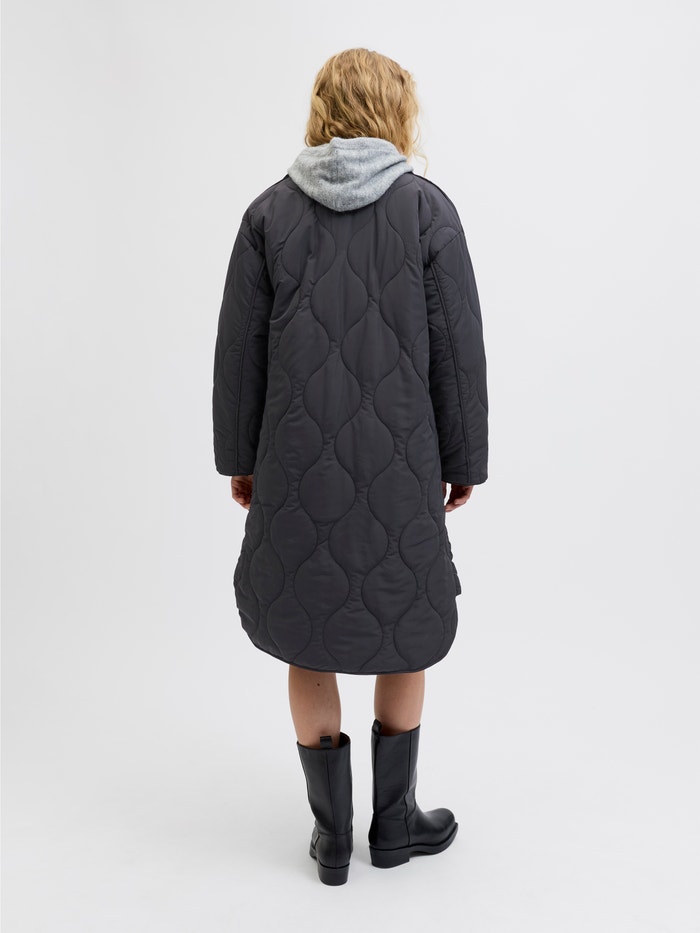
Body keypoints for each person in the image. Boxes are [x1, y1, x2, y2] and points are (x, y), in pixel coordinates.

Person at [212, 47, 489, 886]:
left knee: (308, 633)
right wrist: (463, 459)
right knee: (404, 627)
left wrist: (239, 457)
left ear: (323, 109)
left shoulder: (268, 215)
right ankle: (394, 824)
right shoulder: (427, 212)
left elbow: (239, 356)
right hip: (404, 464)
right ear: (396, 112)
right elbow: (458, 353)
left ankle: (332, 836)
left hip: (295, 465)